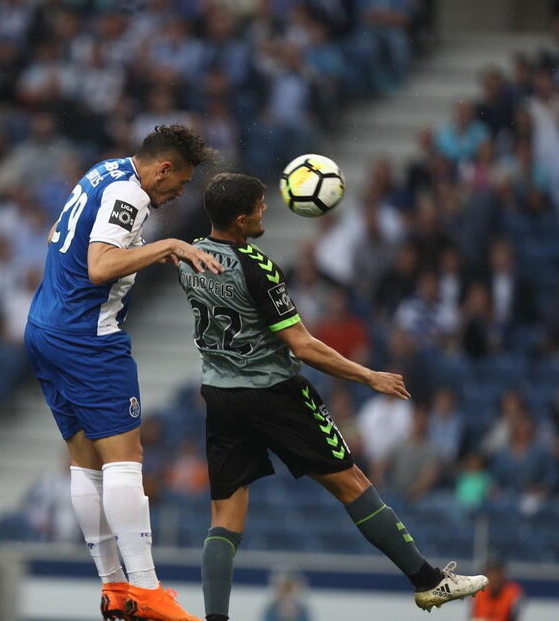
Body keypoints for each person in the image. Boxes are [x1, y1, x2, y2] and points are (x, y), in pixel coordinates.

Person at [177, 173, 488, 621]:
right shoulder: (257, 267)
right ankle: (428, 582)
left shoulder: (188, 258)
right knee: (352, 484)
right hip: (275, 393)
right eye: (261, 207)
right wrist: (369, 377)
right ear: (241, 219)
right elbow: (303, 345)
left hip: (222, 396)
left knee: (224, 516)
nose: (267, 210)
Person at [24, 125, 219, 621]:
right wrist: (168, 245)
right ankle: (148, 590)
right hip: (87, 336)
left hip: (45, 325)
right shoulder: (130, 193)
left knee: (85, 461)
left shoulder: (103, 172)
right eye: (180, 183)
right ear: (163, 168)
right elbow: (99, 265)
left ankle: (114, 587)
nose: (179, 194)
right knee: (125, 458)